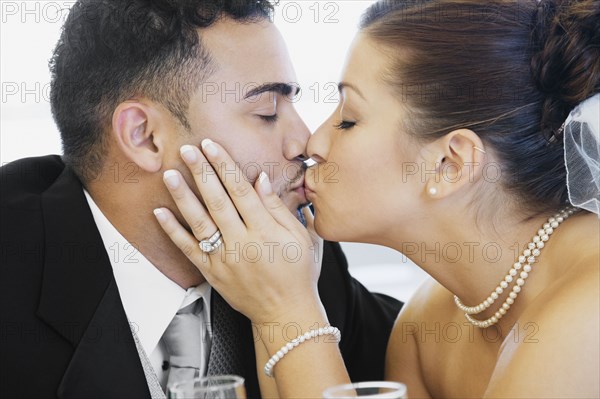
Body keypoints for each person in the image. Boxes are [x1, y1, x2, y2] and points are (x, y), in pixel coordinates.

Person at [155, 0, 600, 397]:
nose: (313, 144)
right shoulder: (426, 325)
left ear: (450, 164)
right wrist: (273, 298)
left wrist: (288, 312)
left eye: (348, 120)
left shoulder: (586, 317)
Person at [0, 1, 402, 397]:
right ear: (144, 136)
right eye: (267, 112)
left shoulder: (292, 260)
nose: (306, 141)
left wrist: (291, 313)